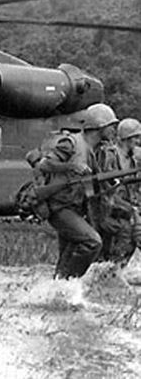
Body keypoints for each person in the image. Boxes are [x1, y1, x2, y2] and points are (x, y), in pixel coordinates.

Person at [36, 103, 116, 279]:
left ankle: (57, 290)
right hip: (60, 207)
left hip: (76, 209)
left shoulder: (94, 151)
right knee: (92, 242)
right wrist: (71, 166)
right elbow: (44, 165)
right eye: (111, 126)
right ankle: (70, 285)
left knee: (67, 257)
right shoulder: (71, 143)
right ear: (99, 125)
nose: (114, 130)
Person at [94, 118, 141, 266]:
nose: (138, 141)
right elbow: (105, 189)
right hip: (109, 210)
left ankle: (117, 270)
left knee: (134, 235)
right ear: (126, 138)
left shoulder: (134, 157)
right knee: (125, 235)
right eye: (136, 137)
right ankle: (111, 270)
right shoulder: (110, 156)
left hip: (126, 209)